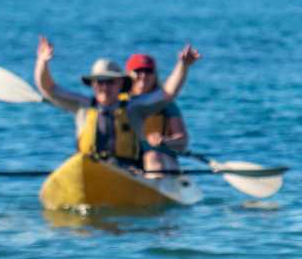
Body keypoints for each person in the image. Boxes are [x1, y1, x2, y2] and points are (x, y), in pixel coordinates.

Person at [30, 36, 192, 173]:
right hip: (90, 168)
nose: (105, 87)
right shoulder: (82, 105)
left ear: (121, 83)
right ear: (93, 84)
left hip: (127, 170)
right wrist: (42, 62)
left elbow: (168, 93)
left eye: (110, 82)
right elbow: (48, 88)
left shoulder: (134, 108)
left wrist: (183, 66)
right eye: (100, 82)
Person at [124, 47, 199, 174]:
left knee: (152, 157)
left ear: (155, 75)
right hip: (130, 159)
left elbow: (183, 142)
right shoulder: (121, 103)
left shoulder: (166, 104)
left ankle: (154, 187)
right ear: (128, 75)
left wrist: (164, 140)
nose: (143, 76)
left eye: (148, 71)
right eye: (138, 71)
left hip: (161, 158)